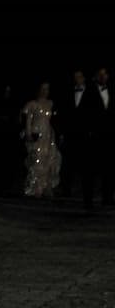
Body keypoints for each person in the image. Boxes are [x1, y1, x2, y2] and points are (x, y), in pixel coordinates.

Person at [80, 67, 115, 210]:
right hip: (93, 137)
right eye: (100, 74)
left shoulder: (111, 90)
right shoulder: (89, 92)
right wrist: (88, 131)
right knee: (90, 170)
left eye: (105, 74)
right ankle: (88, 200)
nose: (103, 77)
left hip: (109, 137)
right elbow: (83, 113)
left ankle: (107, 198)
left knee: (109, 169)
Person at [22, 82, 61, 198]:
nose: (45, 91)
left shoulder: (50, 103)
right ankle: (36, 187)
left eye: (47, 89)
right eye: (43, 88)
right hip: (36, 133)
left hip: (48, 135)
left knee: (49, 158)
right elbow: (28, 120)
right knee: (37, 159)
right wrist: (28, 133)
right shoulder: (32, 104)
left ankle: (46, 186)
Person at [57, 70, 89, 197]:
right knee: (67, 163)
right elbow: (64, 113)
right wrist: (62, 132)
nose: (77, 79)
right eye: (75, 77)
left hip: (85, 134)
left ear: (84, 78)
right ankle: (66, 190)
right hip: (70, 133)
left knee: (85, 163)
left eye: (79, 77)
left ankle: (86, 191)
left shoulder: (91, 93)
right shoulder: (68, 93)